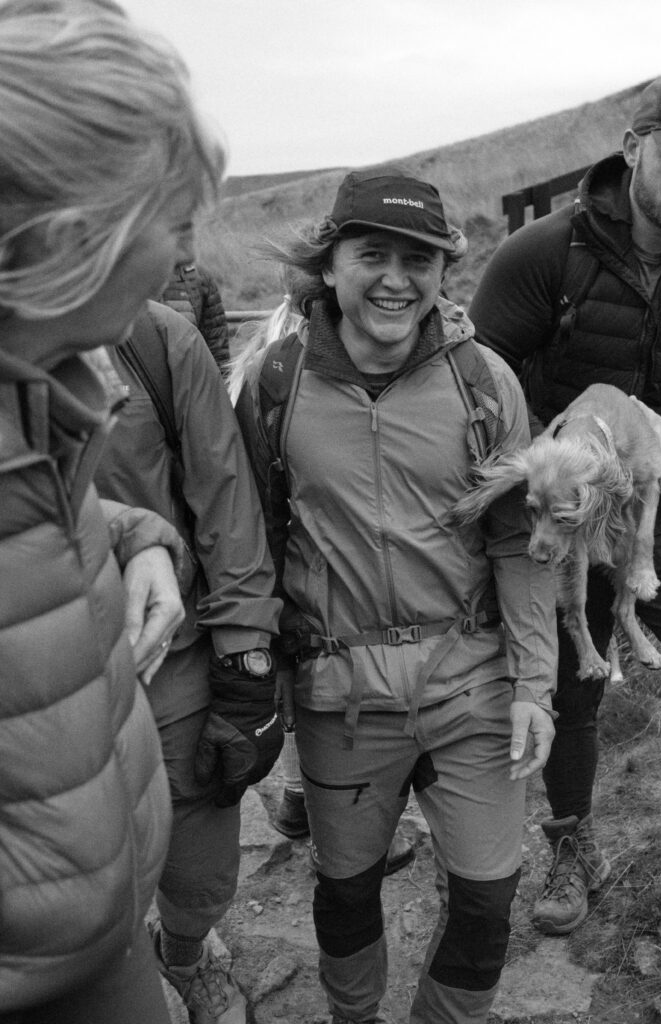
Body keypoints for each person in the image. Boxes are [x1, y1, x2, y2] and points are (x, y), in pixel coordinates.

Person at [468, 69, 661, 1010]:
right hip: (558, 515)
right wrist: (533, 482)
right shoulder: (541, 256)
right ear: (631, 148)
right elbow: (474, 383)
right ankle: (573, 846)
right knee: (569, 681)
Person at [234, 167, 557, 1024]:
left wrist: (535, 685)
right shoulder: (275, 385)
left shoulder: (483, 382)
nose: (395, 279)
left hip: (472, 681)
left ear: (444, 269)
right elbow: (252, 540)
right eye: (371, 254)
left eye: (418, 259)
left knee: (487, 900)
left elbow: (518, 540)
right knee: (346, 890)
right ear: (329, 264)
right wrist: (260, 682)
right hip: (338, 694)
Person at [0, 1, 224, 1022]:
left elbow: (38, 527)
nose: (181, 260)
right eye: (170, 224)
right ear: (72, 241)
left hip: (103, 933)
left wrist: (141, 542)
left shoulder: (37, 385)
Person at [92, 298, 282, 1024]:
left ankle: (185, 952)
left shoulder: (154, 338)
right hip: (28, 673)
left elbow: (224, 497)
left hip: (170, 652)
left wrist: (245, 662)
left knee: (198, 837)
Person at [228, 281, 416, 877]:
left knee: (302, 679)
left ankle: (300, 798)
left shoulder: (264, 353)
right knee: (322, 683)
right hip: (314, 567)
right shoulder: (289, 364)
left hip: (284, 564)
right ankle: (347, 822)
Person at [161, 236, 231, 374]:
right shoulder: (126, 275)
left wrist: (220, 382)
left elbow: (216, 346)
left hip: (187, 378)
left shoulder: (198, 277)